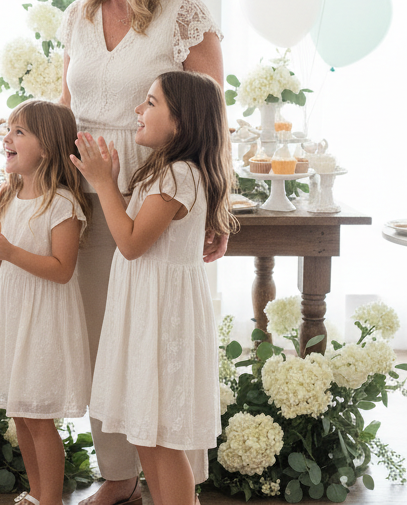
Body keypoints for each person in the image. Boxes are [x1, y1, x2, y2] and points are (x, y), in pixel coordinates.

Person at [56, 0, 226, 505]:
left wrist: (220, 206)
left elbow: (212, 116)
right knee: (104, 333)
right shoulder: (78, 15)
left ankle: (172, 478)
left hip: (155, 183)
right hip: (87, 184)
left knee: (154, 336)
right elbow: (65, 101)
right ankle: (118, 474)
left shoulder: (183, 14)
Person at [72, 71, 235, 505]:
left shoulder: (179, 175)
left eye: (149, 103)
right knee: (145, 431)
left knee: (161, 438)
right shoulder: (163, 171)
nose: (138, 111)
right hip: (145, 312)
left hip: (164, 320)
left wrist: (104, 180)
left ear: (180, 122)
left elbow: (129, 243)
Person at [0, 99, 93, 505]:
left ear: (47, 148)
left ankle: (50, 499)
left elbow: (62, 268)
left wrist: (9, 251)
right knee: (20, 412)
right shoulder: (5, 195)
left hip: (46, 320)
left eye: (19, 132)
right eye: (9, 129)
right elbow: (1, 263)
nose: (7, 138)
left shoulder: (62, 203)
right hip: (14, 314)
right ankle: (36, 494)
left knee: (37, 414)